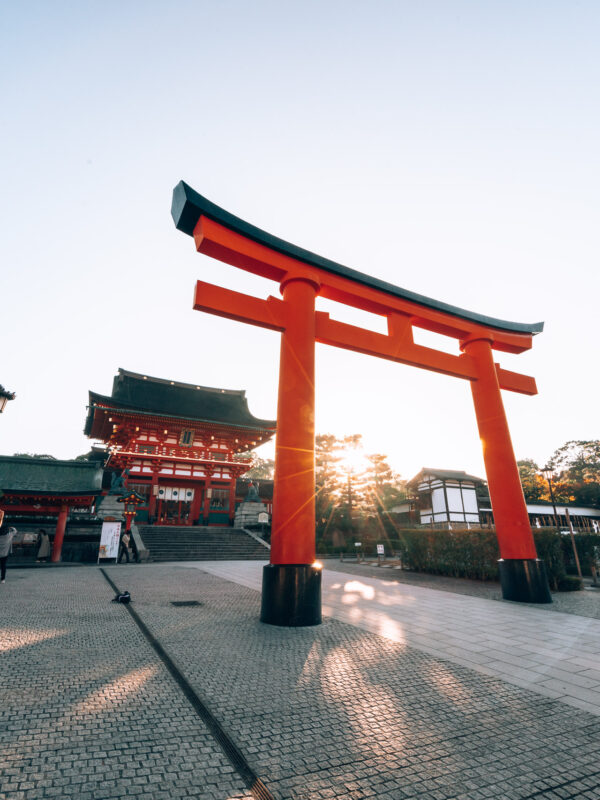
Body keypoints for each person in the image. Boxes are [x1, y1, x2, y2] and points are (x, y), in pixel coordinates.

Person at [0, 517, 16, 584]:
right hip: (5, 554)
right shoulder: (9, 536)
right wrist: (11, 528)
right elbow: (15, 531)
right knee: (3, 566)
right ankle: (3, 579)